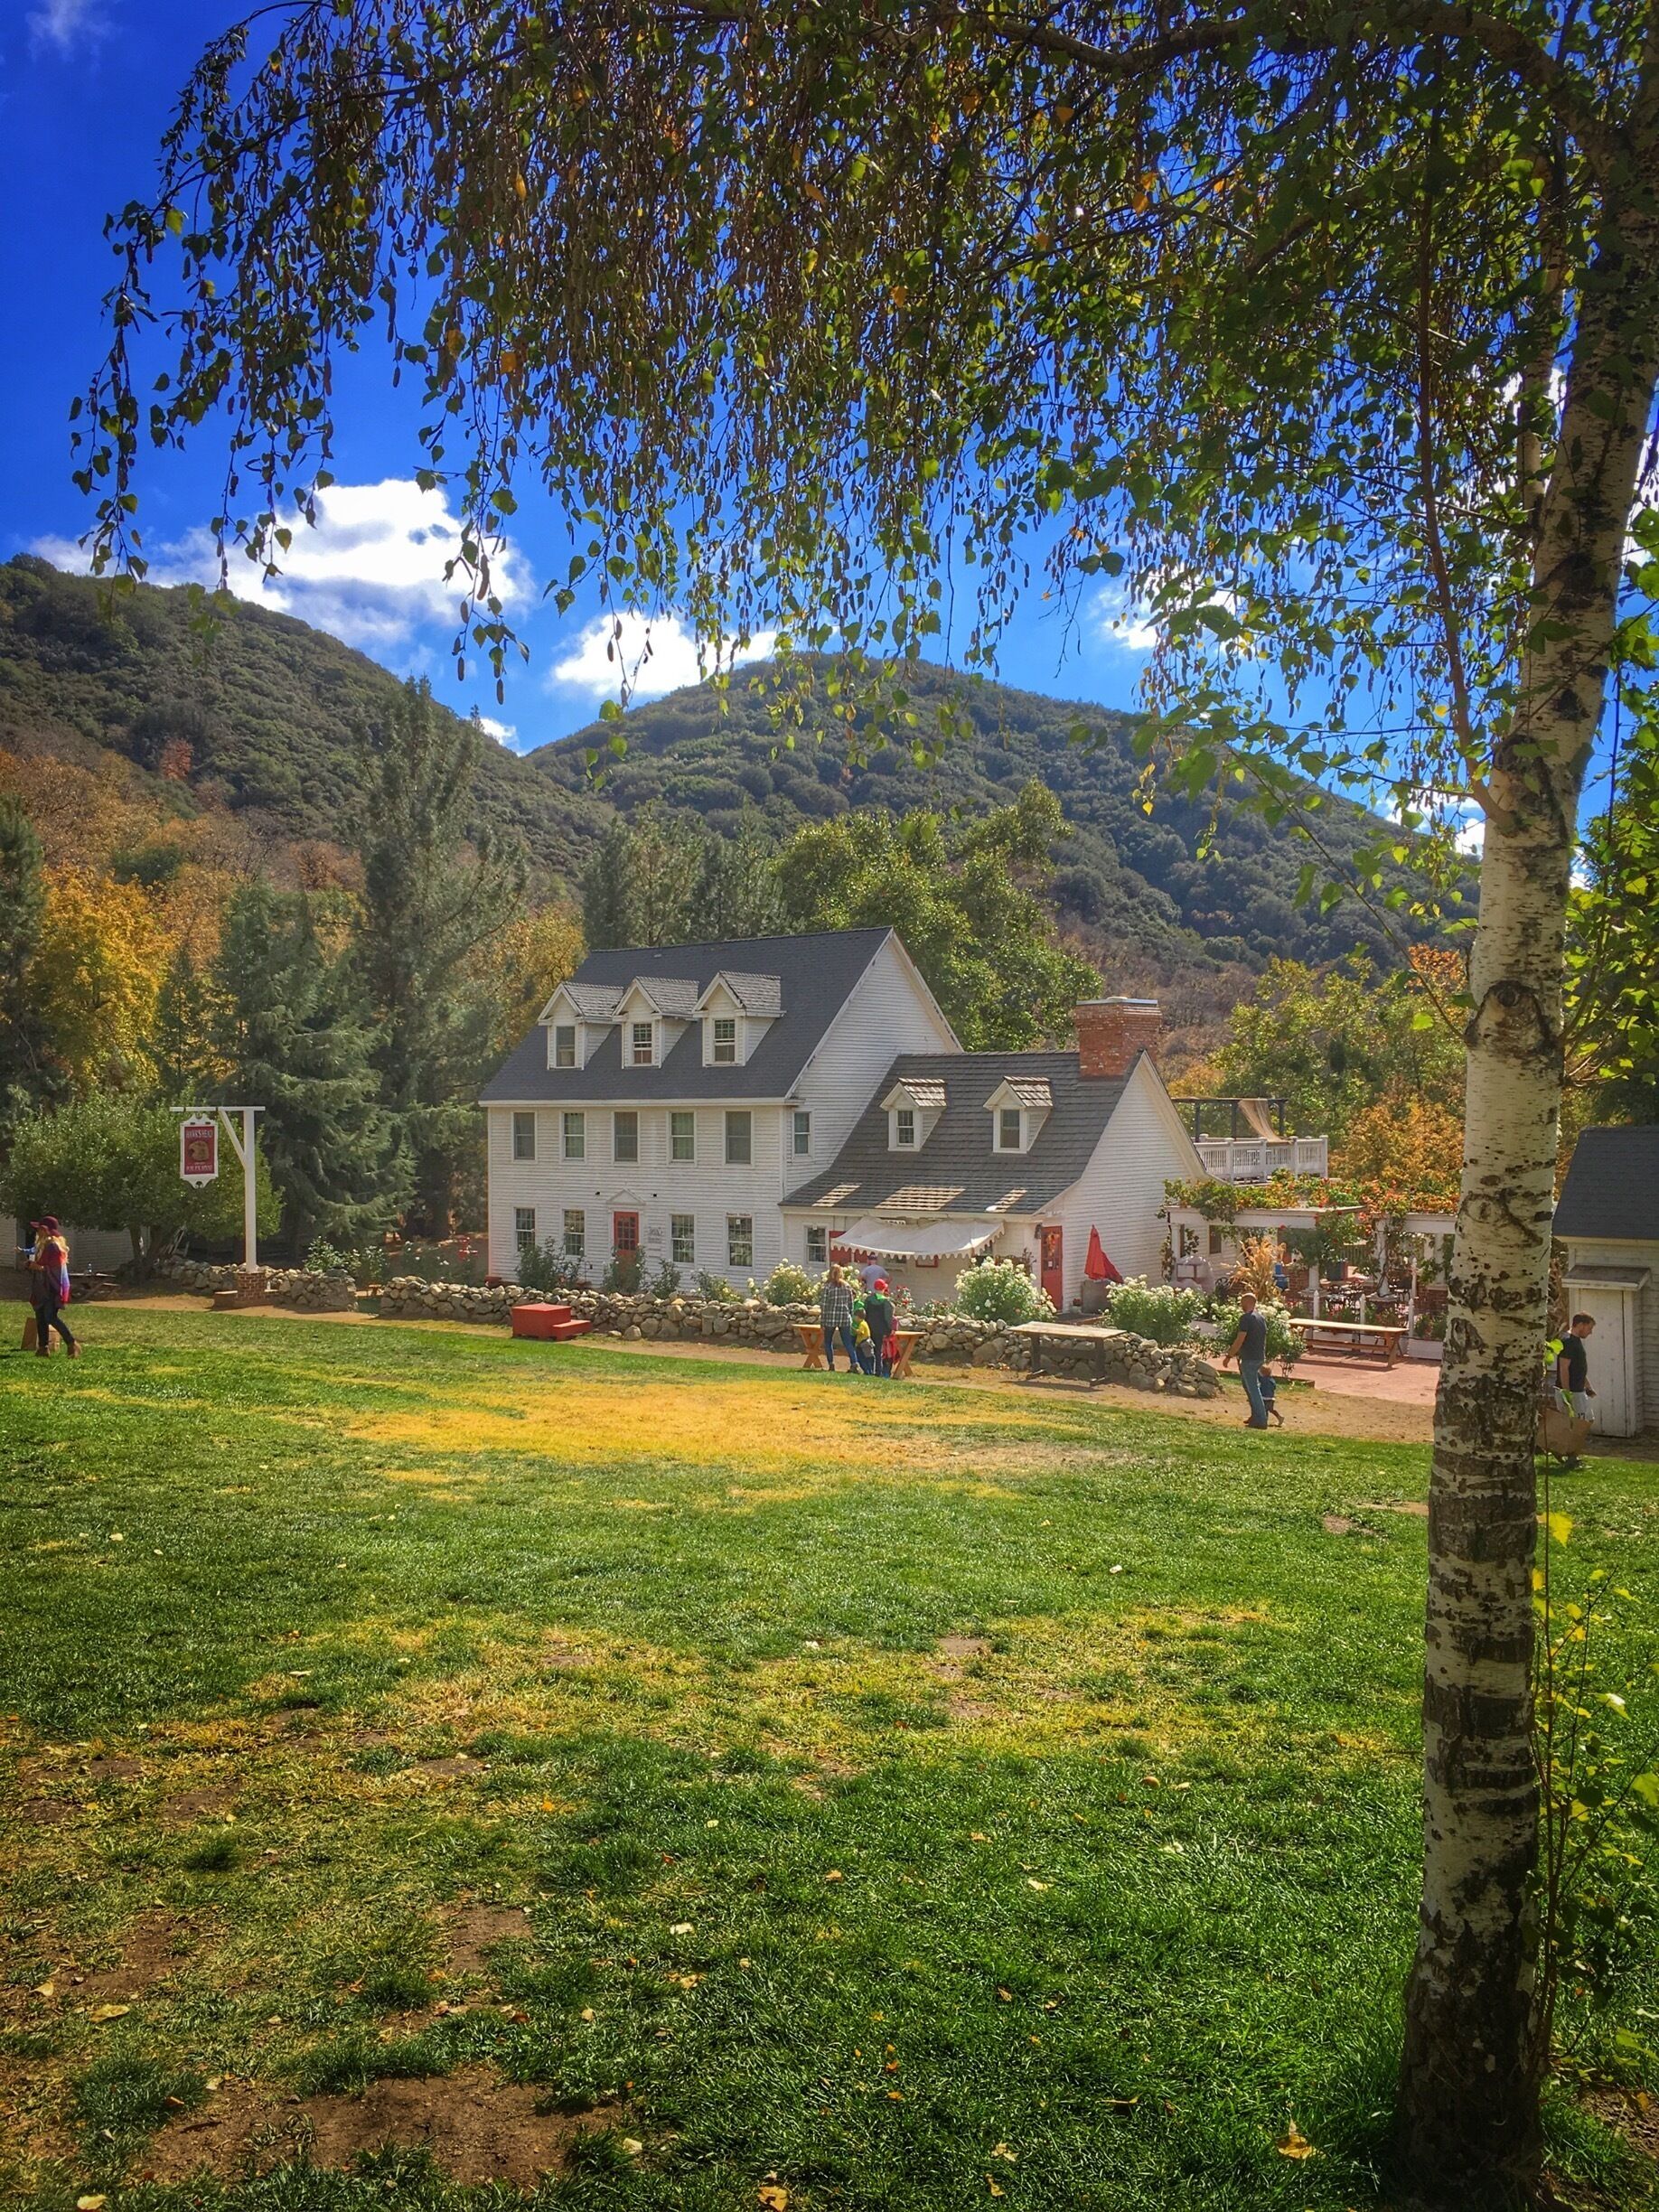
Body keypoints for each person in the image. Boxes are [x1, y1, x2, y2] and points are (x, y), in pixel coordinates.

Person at [25, 1216, 79, 1359]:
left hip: (52, 1287)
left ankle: (72, 1344)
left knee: (50, 1317)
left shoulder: (53, 1246)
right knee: (41, 1317)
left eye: (40, 1229)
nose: (38, 1232)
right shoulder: (43, 1246)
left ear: (45, 1230)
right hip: (42, 1286)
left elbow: (55, 1269)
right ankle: (43, 1348)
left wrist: (38, 1267)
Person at [1554, 1312, 1597, 1464]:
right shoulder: (1569, 1342)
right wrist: (1567, 1392)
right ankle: (1570, 1455)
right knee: (1578, 1423)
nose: (1590, 1332)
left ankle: (1562, 1450)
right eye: (1589, 1328)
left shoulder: (1576, 1341)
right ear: (1580, 1325)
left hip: (1579, 1389)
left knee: (1587, 1419)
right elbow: (1564, 1368)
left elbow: (1578, 1368)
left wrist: (1588, 1386)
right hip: (1571, 1391)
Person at [1223, 1290, 1270, 1428]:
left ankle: (1261, 1420)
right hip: (1259, 1356)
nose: (1240, 1305)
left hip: (1249, 1358)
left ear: (1248, 1302)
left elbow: (1240, 1339)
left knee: (1253, 1388)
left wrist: (1229, 1355)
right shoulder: (1261, 1318)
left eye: (1242, 1302)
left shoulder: (1246, 1318)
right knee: (1248, 1386)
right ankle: (1255, 1415)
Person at [819, 1263, 859, 1373]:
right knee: (847, 1342)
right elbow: (851, 1304)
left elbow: (824, 1305)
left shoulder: (827, 1287)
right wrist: (850, 1316)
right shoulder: (847, 1286)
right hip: (844, 1317)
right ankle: (854, 1363)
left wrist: (822, 1322)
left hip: (830, 1318)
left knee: (828, 1341)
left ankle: (831, 1363)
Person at [864, 1276, 896, 1379]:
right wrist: (890, 1329)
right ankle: (878, 1370)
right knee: (878, 1350)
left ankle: (869, 1369)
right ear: (883, 1289)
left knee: (869, 1348)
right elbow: (888, 1318)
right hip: (881, 1329)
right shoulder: (886, 1302)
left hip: (869, 1327)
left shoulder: (868, 1299)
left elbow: (865, 1313)